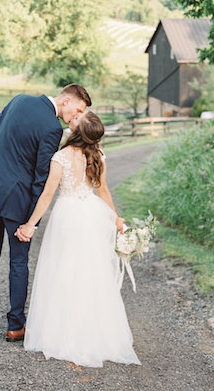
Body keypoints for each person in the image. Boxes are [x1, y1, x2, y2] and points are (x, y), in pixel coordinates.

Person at [15, 111, 141, 368]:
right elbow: (103, 190)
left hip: (68, 216)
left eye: (76, 120)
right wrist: (115, 217)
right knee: (91, 271)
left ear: (76, 131)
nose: (72, 119)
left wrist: (30, 225)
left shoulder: (60, 157)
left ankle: (64, 332)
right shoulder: (98, 155)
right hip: (92, 214)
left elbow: (47, 195)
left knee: (64, 269)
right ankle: (94, 332)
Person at [0, 84, 91, 343]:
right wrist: (31, 221)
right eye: (78, 110)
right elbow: (41, 178)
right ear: (67, 99)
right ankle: (15, 326)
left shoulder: (19, 100)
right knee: (18, 261)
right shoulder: (52, 128)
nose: (76, 117)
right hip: (18, 200)